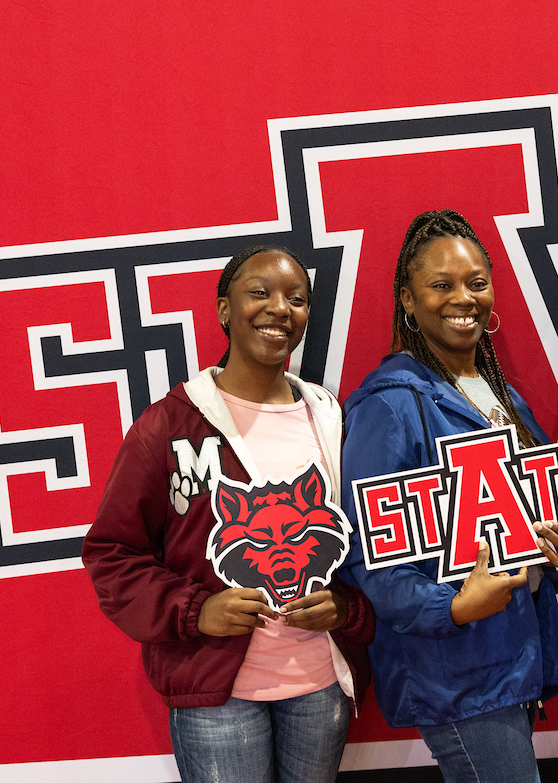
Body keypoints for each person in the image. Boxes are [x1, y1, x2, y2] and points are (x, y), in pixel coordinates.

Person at [82, 245, 374, 783]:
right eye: (259, 293)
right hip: (217, 695)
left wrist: (346, 608)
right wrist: (197, 611)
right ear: (223, 309)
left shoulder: (328, 415)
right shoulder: (168, 425)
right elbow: (112, 554)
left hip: (320, 686)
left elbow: (366, 539)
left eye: (297, 299)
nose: (279, 309)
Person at [339, 209, 558, 783]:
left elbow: (549, 524)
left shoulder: (503, 399)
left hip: (515, 657)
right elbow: (367, 561)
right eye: (441, 285)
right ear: (407, 297)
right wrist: (452, 608)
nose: (464, 298)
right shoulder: (388, 405)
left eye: (477, 283)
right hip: (457, 673)